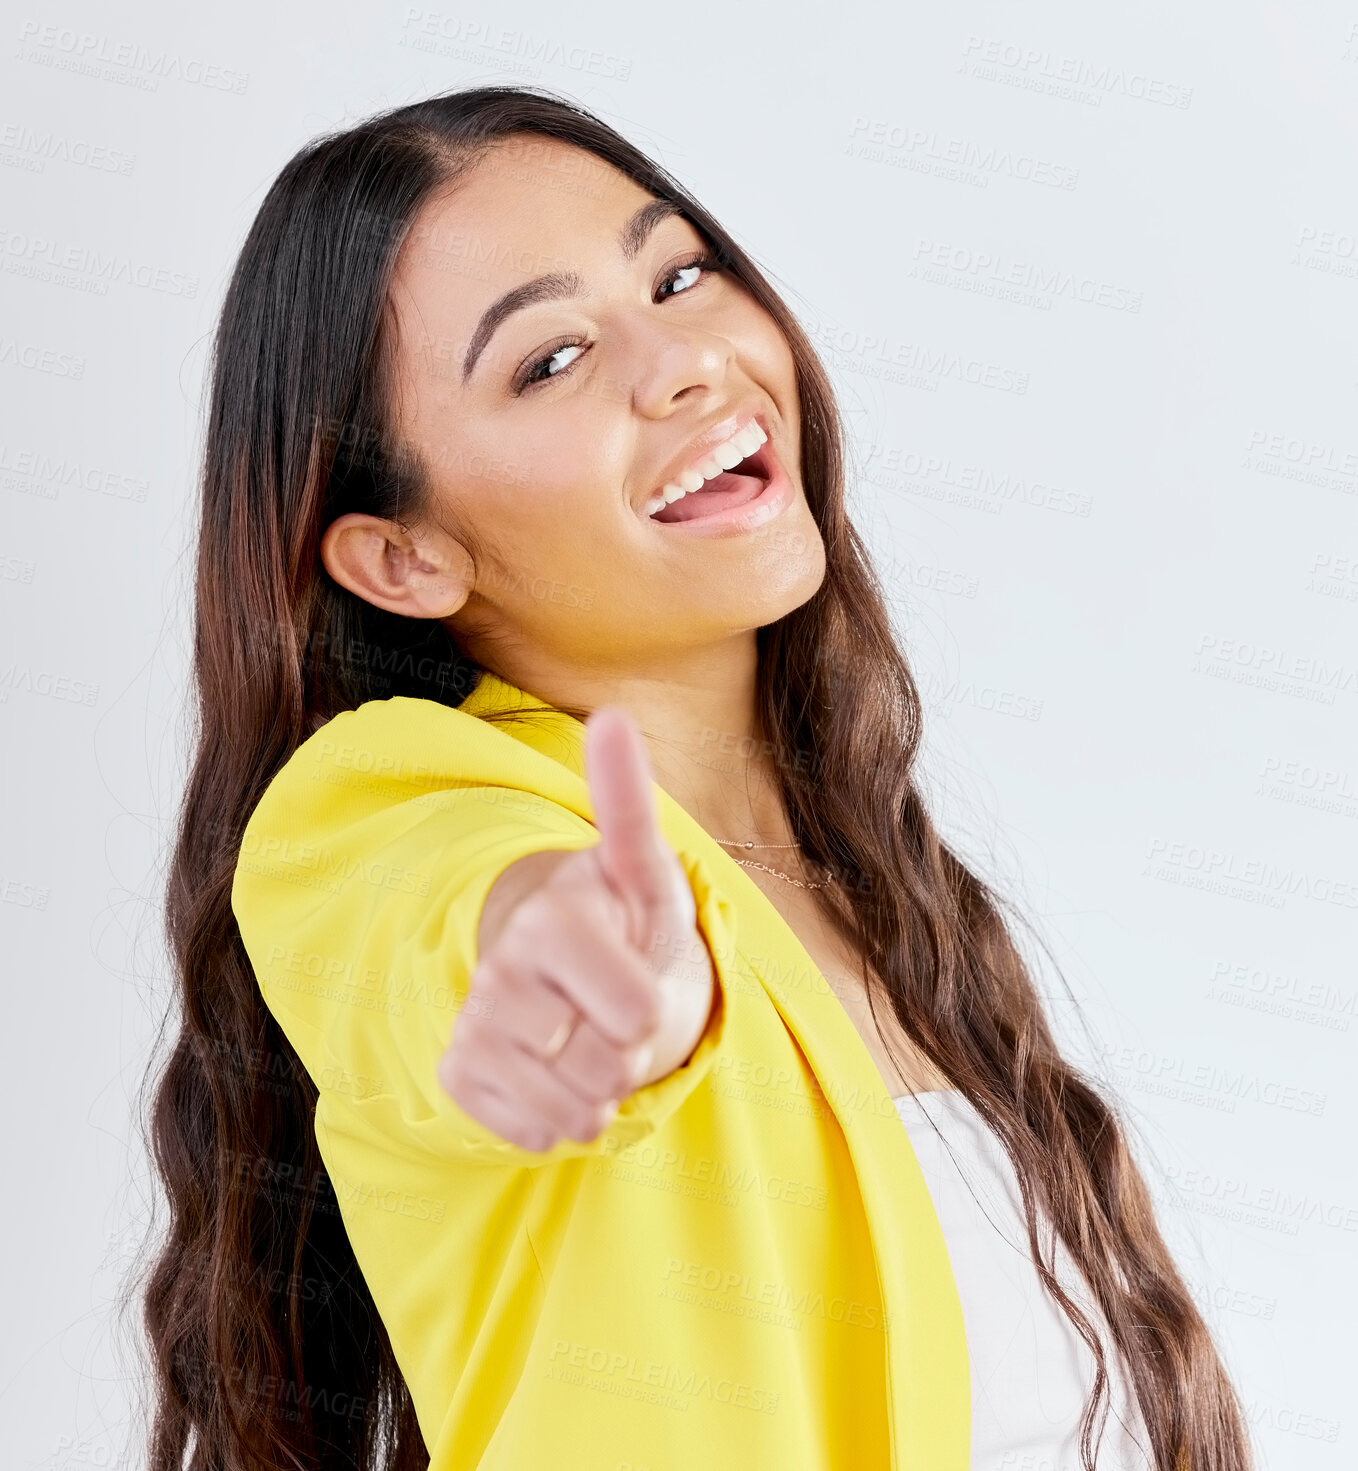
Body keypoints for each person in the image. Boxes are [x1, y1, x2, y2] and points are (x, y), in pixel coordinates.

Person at [143, 86, 1253, 1471]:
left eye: (679, 273)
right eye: (547, 360)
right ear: (404, 558)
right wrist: (551, 962)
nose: (685, 364)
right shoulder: (380, 809)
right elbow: (446, 926)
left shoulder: (886, 892)